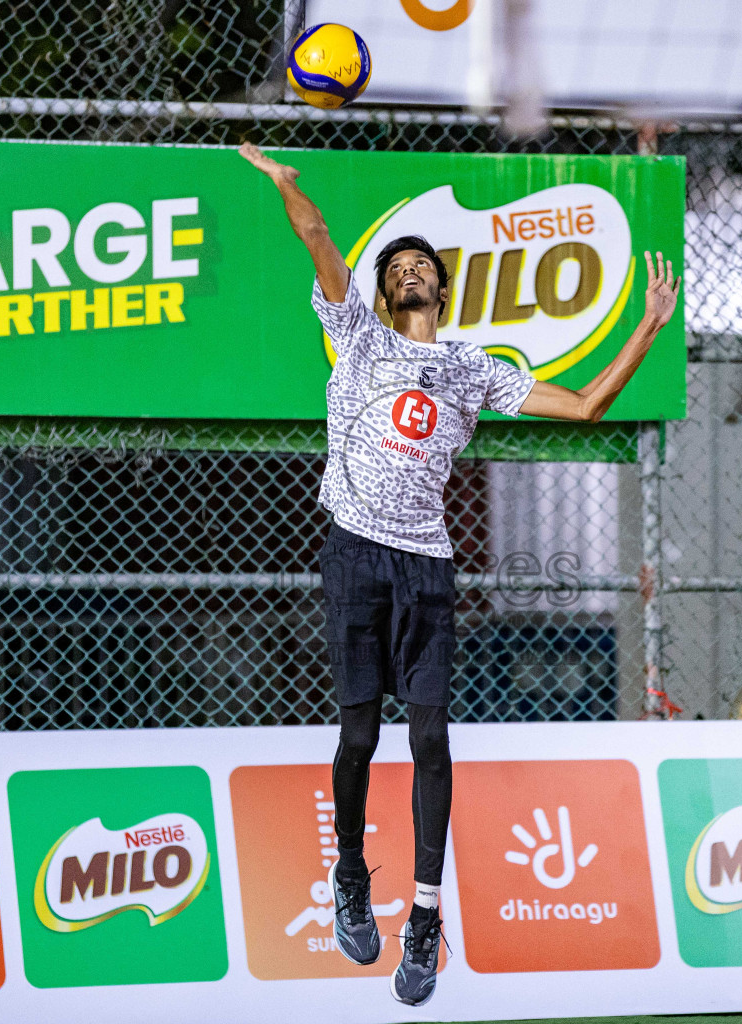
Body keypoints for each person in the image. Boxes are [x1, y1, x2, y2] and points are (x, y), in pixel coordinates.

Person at [239, 141, 678, 1006]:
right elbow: (320, 237)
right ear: (380, 290)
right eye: (395, 265)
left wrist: (648, 326)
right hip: (354, 552)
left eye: (419, 266)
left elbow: (588, 406)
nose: (406, 272)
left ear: (440, 290)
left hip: (428, 566)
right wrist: (290, 189)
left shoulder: (471, 365)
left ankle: (426, 916)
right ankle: (353, 877)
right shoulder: (354, 335)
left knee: (432, 740)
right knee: (360, 737)